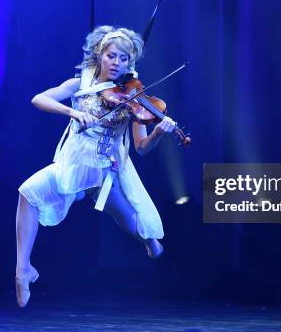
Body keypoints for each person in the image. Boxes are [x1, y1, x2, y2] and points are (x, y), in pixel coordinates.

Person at [15, 25, 176, 307]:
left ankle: (149, 239)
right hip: (72, 165)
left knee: (131, 222)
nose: (117, 63)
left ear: (130, 62)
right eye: (112, 56)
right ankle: (23, 269)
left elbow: (141, 148)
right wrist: (72, 111)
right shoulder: (80, 84)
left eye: (124, 59)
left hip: (104, 172)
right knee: (28, 192)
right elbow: (38, 98)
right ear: (100, 55)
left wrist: (159, 132)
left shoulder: (132, 99)